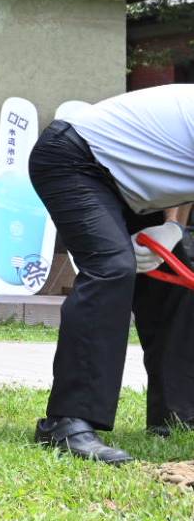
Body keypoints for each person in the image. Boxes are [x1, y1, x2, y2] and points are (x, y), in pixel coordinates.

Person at [29, 85, 194, 464]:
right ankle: (67, 422)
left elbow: (182, 167)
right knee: (111, 269)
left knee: (176, 268)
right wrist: (171, 230)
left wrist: (173, 231)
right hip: (74, 158)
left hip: (130, 182)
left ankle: (177, 413)